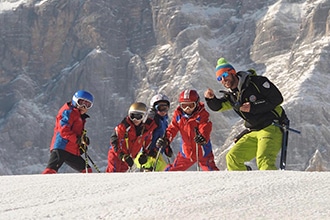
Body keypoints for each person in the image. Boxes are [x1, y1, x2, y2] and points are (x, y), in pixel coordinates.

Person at [204, 58, 288, 171]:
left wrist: (253, 107)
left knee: (264, 160)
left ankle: (272, 188)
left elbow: (277, 99)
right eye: (220, 78)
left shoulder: (256, 82)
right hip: (253, 131)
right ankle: (244, 185)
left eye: (225, 74)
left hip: (271, 126)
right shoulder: (232, 96)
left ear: (232, 72)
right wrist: (210, 99)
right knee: (232, 158)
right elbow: (218, 106)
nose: (223, 79)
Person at [156, 89, 219, 171]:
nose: (187, 109)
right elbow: (172, 128)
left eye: (191, 105)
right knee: (172, 172)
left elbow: (205, 127)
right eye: (184, 106)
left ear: (196, 104)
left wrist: (203, 137)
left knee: (212, 172)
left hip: (203, 152)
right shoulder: (179, 115)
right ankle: (163, 182)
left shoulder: (202, 114)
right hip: (186, 153)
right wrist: (166, 139)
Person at [42, 90, 94, 174]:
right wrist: (78, 140)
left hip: (71, 150)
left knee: (87, 170)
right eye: (81, 102)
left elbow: (76, 133)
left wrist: (81, 143)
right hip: (61, 147)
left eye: (87, 105)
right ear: (75, 100)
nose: (83, 107)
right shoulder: (68, 112)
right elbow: (63, 129)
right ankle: (40, 185)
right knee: (50, 171)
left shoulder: (79, 116)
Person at [106, 102, 157, 172]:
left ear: (144, 117)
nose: (135, 119)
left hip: (129, 158)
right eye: (132, 116)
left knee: (122, 175)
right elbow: (115, 140)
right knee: (114, 174)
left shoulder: (145, 130)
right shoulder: (124, 127)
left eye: (139, 117)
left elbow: (147, 141)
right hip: (116, 155)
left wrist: (145, 154)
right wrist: (122, 155)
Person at [134, 94, 171, 171]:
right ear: (154, 108)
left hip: (157, 153)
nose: (163, 111)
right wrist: (145, 152)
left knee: (166, 170)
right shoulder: (152, 120)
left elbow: (164, 136)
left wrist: (167, 147)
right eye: (160, 108)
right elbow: (144, 136)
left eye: (166, 108)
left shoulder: (164, 120)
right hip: (148, 155)